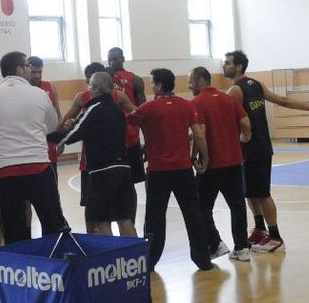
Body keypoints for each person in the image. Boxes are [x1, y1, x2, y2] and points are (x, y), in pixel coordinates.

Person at [223, 50, 309, 253]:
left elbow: (226, 121)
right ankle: (260, 229)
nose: (224, 66)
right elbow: (283, 101)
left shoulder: (235, 91)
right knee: (250, 192)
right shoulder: (257, 85)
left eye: (228, 63)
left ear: (239, 66)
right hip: (258, 147)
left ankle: (276, 237)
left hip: (253, 147)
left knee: (262, 193)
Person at [128, 68, 213, 271]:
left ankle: (150, 261)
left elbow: (128, 120)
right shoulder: (186, 105)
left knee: (155, 218)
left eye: (151, 83)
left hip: (158, 172)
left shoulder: (148, 108)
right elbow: (199, 135)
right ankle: (203, 260)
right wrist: (204, 157)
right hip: (183, 170)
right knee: (193, 215)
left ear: (158, 85)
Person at [0, 51, 67, 242]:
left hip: (6, 171)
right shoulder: (38, 93)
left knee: (14, 228)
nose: (31, 70)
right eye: (28, 66)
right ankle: (52, 266)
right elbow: (52, 126)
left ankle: (20, 268)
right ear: (20, 69)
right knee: (53, 223)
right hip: (38, 166)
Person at [50, 72, 137, 237]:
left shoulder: (93, 109)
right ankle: (136, 259)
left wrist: (49, 137)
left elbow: (71, 136)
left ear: (96, 88)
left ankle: (109, 261)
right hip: (124, 168)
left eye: (90, 85)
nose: (88, 88)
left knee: (102, 221)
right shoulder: (117, 110)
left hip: (102, 171)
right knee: (124, 219)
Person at [188, 67, 253, 262]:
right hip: (234, 162)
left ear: (200, 81)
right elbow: (246, 123)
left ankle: (215, 244)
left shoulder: (196, 103)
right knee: (237, 205)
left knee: (201, 207)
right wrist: (244, 138)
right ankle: (241, 248)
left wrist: (196, 157)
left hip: (212, 164)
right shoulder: (228, 99)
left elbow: (200, 135)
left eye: (190, 81)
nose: (189, 85)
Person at [61, 62, 136, 209]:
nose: (86, 81)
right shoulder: (87, 97)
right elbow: (138, 114)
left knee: (96, 213)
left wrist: (57, 136)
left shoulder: (116, 96)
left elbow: (137, 114)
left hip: (99, 161)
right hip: (115, 158)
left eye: (88, 78)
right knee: (122, 212)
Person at [107, 47, 147, 221]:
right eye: (109, 60)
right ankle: (117, 220)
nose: (112, 63)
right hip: (110, 142)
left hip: (130, 141)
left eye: (115, 59)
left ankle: (130, 221)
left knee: (129, 184)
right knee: (111, 185)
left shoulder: (135, 80)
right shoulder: (103, 79)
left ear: (122, 59)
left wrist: (149, 142)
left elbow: (144, 112)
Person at [27, 56, 61, 173]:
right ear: (27, 70)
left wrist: (60, 139)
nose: (37, 75)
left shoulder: (50, 87)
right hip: (31, 145)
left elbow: (57, 114)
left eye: (40, 72)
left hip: (49, 144)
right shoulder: (23, 89)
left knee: (52, 184)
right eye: (33, 72)